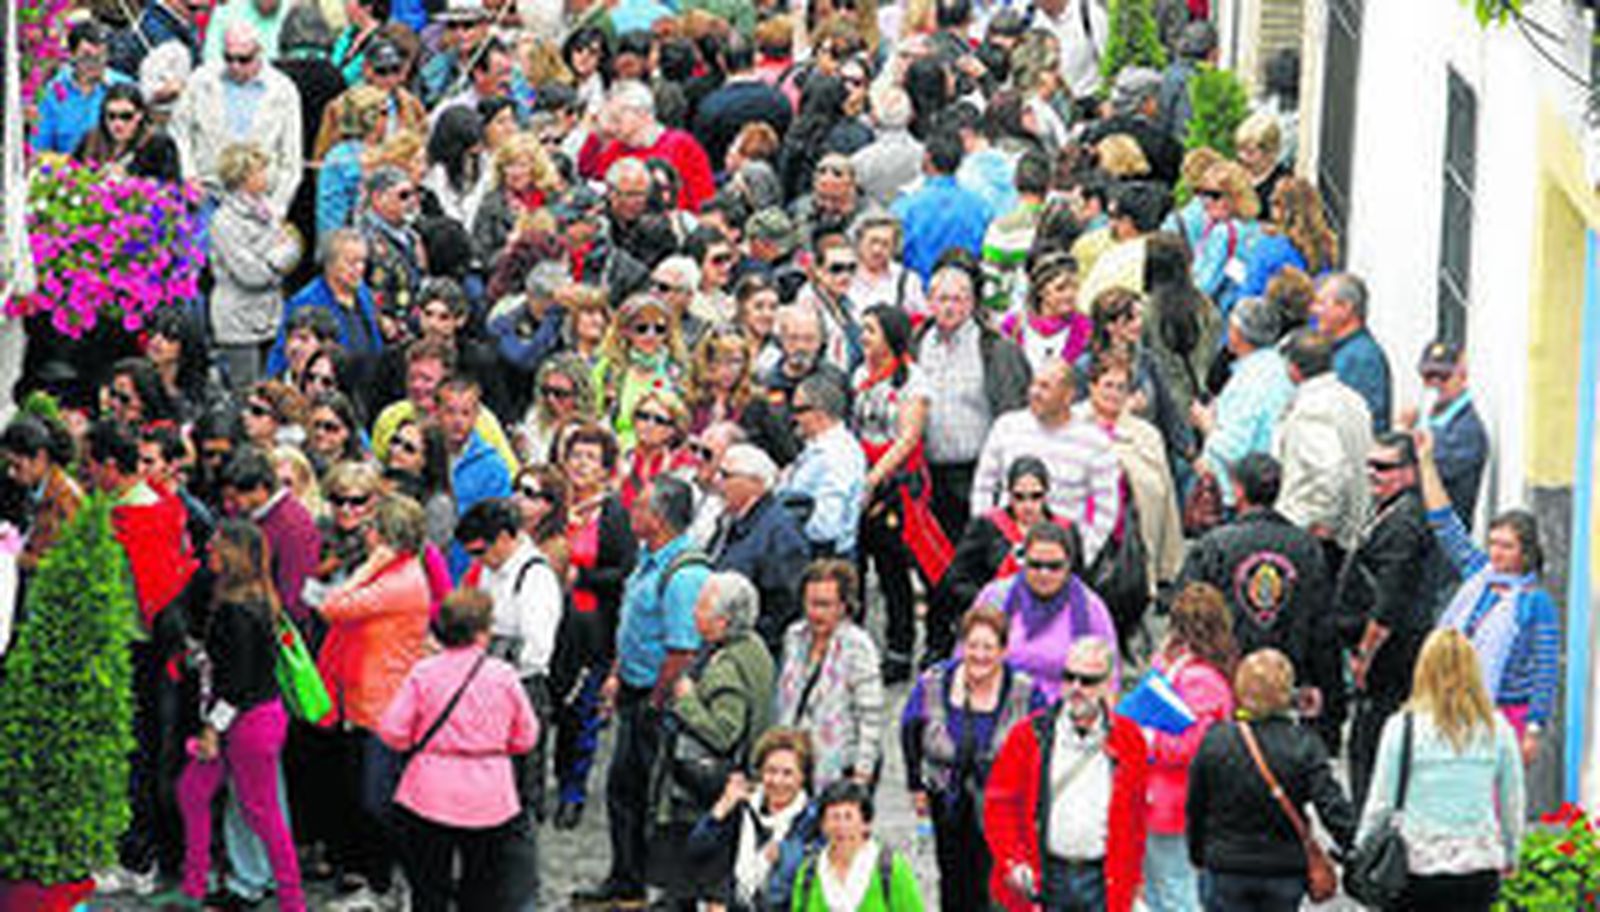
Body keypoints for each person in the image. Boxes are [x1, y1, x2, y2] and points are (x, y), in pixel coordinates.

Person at [575, 476, 709, 908]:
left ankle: (661, 888)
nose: (631, 513)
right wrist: (617, 674)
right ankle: (626, 878)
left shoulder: (684, 573)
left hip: (657, 700)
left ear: (660, 518)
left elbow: (683, 647)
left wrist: (655, 698)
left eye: (640, 508)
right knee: (623, 790)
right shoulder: (647, 558)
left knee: (655, 800)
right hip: (634, 688)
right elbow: (633, 623)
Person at [168, 520, 305, 912]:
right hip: (253, 718)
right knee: (195, 792)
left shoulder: (236, 610)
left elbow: (238, 682)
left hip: (245, 723)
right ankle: (196, 885)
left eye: (215, 546)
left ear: (233, 555)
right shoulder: (257, 600)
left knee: (261, 812)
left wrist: (212, 728)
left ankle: (292, 899)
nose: (208, 550)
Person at [379, 588, 540, 912]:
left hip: (427, 794)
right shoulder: (504, 675)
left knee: (428, 886)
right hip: (490, 797)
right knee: (483, 888)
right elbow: (527, 737)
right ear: (483, 632)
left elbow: (392, 732)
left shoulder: (423, 673)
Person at [314, 495, 433, 911]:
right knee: (368, 797)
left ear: (384, 536)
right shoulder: (400, 574)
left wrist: (366, 567)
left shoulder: (397, 581)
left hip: (385, 705)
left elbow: (331, 606)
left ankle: (393, 885)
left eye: (372, 527)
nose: (364, 533)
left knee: (378, 800)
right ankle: (384, 882)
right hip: (368, 700)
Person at [1175, 454, 1338, 750]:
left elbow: (1186, 617)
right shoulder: (1306, 548)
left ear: (1238, 490)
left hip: (1226, 684)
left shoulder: (1215, 546)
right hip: (1285, 686)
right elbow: (1323, 628)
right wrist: (1328, 697)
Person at [1355, 629, 1525, 910]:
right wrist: (1511, 853)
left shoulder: (1402, 727)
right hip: (1479, 865)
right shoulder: (1498, 729)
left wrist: (1363, 851)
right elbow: (1512, 800)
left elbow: (1381, 803)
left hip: (1417, 866)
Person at [1419, 430, 1559, 763]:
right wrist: (1426, 462)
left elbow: (1546, 670)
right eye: (1493, 543)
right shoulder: (1479, 576)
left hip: (1506, 713)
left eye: (1506, 546)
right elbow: (1445, 524)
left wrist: (1533, 728)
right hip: (1455, 705)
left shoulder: (1535, 602)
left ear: (1526, 552)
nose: (1496, 552)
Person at [1185, 649, 1357, 912]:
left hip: (1225, 863)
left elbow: (1196, 804)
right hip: (1283, 867)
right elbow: (1330, 804)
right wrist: (1354, 844)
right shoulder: (1303, 744)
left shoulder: (1216, 740)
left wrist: (1198, 852)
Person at [984, 636, 1148, 912]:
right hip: (1047, 876)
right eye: (1069, 677)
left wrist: (1134, 884)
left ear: (1108, 684)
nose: (1076, 688)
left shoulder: (1129, 739)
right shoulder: (1029, 735)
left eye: (1088, 680)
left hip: (1104, 879)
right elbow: (998, 805)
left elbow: (1136, 819)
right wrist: (1013, 860)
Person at [902, 604, 1046, 911]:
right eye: (973, 645)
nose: (979, 655)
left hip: (1004, 806)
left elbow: (1042, 744)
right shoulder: (934, 682)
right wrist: (916, 785)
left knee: (995, 888)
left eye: (988, 647)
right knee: (953, 883)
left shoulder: (1025, 691)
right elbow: (910, 729)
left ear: (1004, 651)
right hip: (948, 800)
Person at [648, 571, 777, 907]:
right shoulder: (754, 648)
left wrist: (687, 699)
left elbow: (723, 732)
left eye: (702, 606)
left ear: (722, 621)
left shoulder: (726, 666)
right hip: (733, 788)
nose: (694, 611)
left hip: (710, 793)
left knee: (700, 887)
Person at [1337, 433, 1438, 810]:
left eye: (1384, 467)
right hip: (1376, 654)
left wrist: (1365, 656)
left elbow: (1389, 603)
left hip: (1391, 659)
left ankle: (1374, 840)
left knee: (1374, 747)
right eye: (1370, 465)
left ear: (1410, 473)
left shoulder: (1405, 522)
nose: (1373, 473)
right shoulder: (1387, 509)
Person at [456, 498, 564, 831]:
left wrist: (490, 655)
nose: (477, 560)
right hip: (488, 684)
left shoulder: (535, 577)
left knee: (520, 784)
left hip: (522, 688)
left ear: (505, 538)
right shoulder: (492, 570)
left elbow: (536, 651)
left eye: (480, 551)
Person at [552, 424, 637, 830]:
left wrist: (581, 579)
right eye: (576, 456)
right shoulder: (551, 505)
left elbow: (623, 572)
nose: (581, 465)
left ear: (606, 469)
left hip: (591, 628)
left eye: (590, 458)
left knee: (581, 711)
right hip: (550, 622)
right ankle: (551, 777)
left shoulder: (614, 514)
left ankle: (574, 790)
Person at [916, 262, 1031, 544]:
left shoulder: (995, 348)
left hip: (977, 473)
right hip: (930, 474)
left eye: (958, 299)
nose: (950, 307)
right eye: (942, 299)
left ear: (971, 303)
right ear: (929, 302)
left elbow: (1014, 413)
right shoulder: (917, 343)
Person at [1142, 583, 1238, 912]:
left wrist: (1146, 738)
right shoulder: (1210, 674)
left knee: (1173, 892)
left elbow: (1189, 746)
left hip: (1171, 801)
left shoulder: (1192, 677)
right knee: (1166, 889)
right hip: (1176, 800)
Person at [971, 361, 1122, 563]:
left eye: (1045, 387)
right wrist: (985, 539)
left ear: (1068, 395)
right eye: (1033, 384)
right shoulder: (1006, 427)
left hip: (1063, 554)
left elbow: (1107, 508)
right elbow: (983, 486)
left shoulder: (1095, 442)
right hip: (1006, 551)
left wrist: (1084, 553)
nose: (1035, 392)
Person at [854, 305, 934, 681]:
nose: (864, 336)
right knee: (857, 567)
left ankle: (900, 649)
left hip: (893, 485)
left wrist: (874, 478)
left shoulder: (911, 381)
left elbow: (907, 438)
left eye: (870, 330)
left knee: (893, 570)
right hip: (862, 476)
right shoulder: (860, 375)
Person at [926, 457, 1066, 663]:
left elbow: (1076, 585)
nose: (1028, 506)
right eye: (1020, 497)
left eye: (1036, 497)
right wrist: (990, 602)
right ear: (1008, 495)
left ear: (1047, 495)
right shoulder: (987, 527)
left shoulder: (1064, 531)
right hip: (995, 622)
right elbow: (955, 581)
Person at [968, 521, 1119, 702]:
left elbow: (1110, 681)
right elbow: (966, 658)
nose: (1044, 573)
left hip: (1064, 715)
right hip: (998, 710)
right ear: (1023, 562)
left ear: (1069, 565)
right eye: (1035, 565)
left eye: (1054, 566)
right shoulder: (995, 597)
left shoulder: (1090, 609)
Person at [170, 22, 303, 216]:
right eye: (228, 58)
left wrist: (277, 206)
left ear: (260, 52)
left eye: (244, 59)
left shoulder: (282, 89)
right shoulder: (201, 79)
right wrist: (188, 175)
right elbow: (179, 130)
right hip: (208, 194)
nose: (235, 66)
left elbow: (291, 158)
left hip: (259, 201)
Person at [774, 560, 885, 791]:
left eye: (825, 605)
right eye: (811, 604)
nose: (816, 613)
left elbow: (870, 716)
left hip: (840, 767)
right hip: (795, 762)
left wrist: (862, 775)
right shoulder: (794, 636)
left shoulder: (858, 646)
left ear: (844, 606)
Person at [1272, 328, 1374, 568]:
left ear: (1293, 368)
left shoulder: (1311, 410)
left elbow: (1331, 471)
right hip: (1350, 529)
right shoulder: (1353, 399)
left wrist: (1320, 521)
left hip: (1315, 535)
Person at [689, 727, 821, 910]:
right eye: (770, 771)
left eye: (787, 773)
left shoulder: (813, 820)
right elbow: (698, 848)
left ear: (803, 777)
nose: (777, 781)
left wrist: (782, 854)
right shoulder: (743, 806)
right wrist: (722, 807)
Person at [209, 142, 305, 387]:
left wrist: (272, 258)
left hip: (271, 315)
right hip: (237, 322)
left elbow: (294, 247)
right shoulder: (224, 221)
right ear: (243, 177)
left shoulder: (269, 210)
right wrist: (276, 259)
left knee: (272, 387)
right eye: (260, 171)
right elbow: (250, 274)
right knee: (246, 391)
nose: (266, 176)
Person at [1190, 297, 1294, 508]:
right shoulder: (1279, 369)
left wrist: (1206, 422)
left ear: (1237, 334)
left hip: (1240, 496)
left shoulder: (1250, 382)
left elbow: (1233, 448)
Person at [708, 443, 810, 656]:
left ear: (755, 483)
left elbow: (785, 608)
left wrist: (741, 641)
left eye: (726, 475)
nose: (717, 481)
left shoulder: (781, 533)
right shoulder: (732, 520)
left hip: (749, 652)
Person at [579, 80, 716, 211]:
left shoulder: (682, 145)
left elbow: (703, 198)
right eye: (611, 116)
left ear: (642, 114)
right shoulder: (613, 149)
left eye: (618, 115)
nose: (613, 122)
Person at [790, 780, 925, 911]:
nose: (841, 826)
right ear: (823, 825)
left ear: (865, 824)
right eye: (834, 817)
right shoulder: (809, 872)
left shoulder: (892, 869)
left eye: (848, 817)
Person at [780, 373, 867, 559]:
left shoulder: (838, 455)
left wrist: (786, 527)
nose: (793, 417)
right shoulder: (819, 448)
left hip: (825, 561)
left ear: (819, 413)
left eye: (799, 410)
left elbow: (826, 526)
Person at [1403, 339, 1489, 525]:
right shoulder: (1429, 415)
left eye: (1444, 376)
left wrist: (1403, 432)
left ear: (1462, 375)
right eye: (1428, 376)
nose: (1435, 383)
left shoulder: (1465, 429)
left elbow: (1411, 475)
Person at [892, 130, 994, 281]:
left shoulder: (905, 207)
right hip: (966, 290)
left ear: (926, 158)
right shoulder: (982, 207)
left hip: (918, 293)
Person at [0, 416, 82, 577]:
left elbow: (64, 564)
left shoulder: (67, 500)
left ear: (40, 457)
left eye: (17, 466)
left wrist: (16, 557)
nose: (11, 473)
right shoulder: (27, 488)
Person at [35, 21, 132, 154]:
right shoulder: (52, 93)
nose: (94, 64)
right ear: (72, 55)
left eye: (100, 57)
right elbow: (40, 148)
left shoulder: (124, 86)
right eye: (86, 57)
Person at [1312, 272, 1392, 433]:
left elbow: (1361, 421)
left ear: (1345, 308)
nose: (1314, 310)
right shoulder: (1339, 351)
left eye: (1321, 303)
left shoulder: (1362, 358)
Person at [73, 83, 182, 182]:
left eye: (126, 116)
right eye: (111, 116)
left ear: (140, 115)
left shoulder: (158, 144)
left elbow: (171, 189)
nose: (118, 123)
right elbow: (71, 174)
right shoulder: (91, 139)